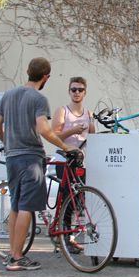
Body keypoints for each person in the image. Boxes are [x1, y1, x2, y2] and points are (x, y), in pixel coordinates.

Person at [0, 57, 74, 271]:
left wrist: (7, 142)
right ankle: (17, 258)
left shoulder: (8, 95)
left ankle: (12, 254)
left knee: (16, 205)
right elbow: (44, 130)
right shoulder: (38, 98)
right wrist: (66, 148)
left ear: (29, 71)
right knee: (27, 207)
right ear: (46, 77)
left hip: (13, 158)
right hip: (31, 158)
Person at [51, 76, 95, 252]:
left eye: (80, 90)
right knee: (67, 199)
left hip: (80, 160)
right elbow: (53, 135)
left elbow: (92, 136)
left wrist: (90, 124)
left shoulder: (88, 113)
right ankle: (64, 238)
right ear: (69, 92)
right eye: (73, 89)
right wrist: (73, 130)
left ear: (85, 92)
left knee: (78, 199)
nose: (77, 93)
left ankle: (67, 235)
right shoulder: (62, 111)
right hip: (64, 159)